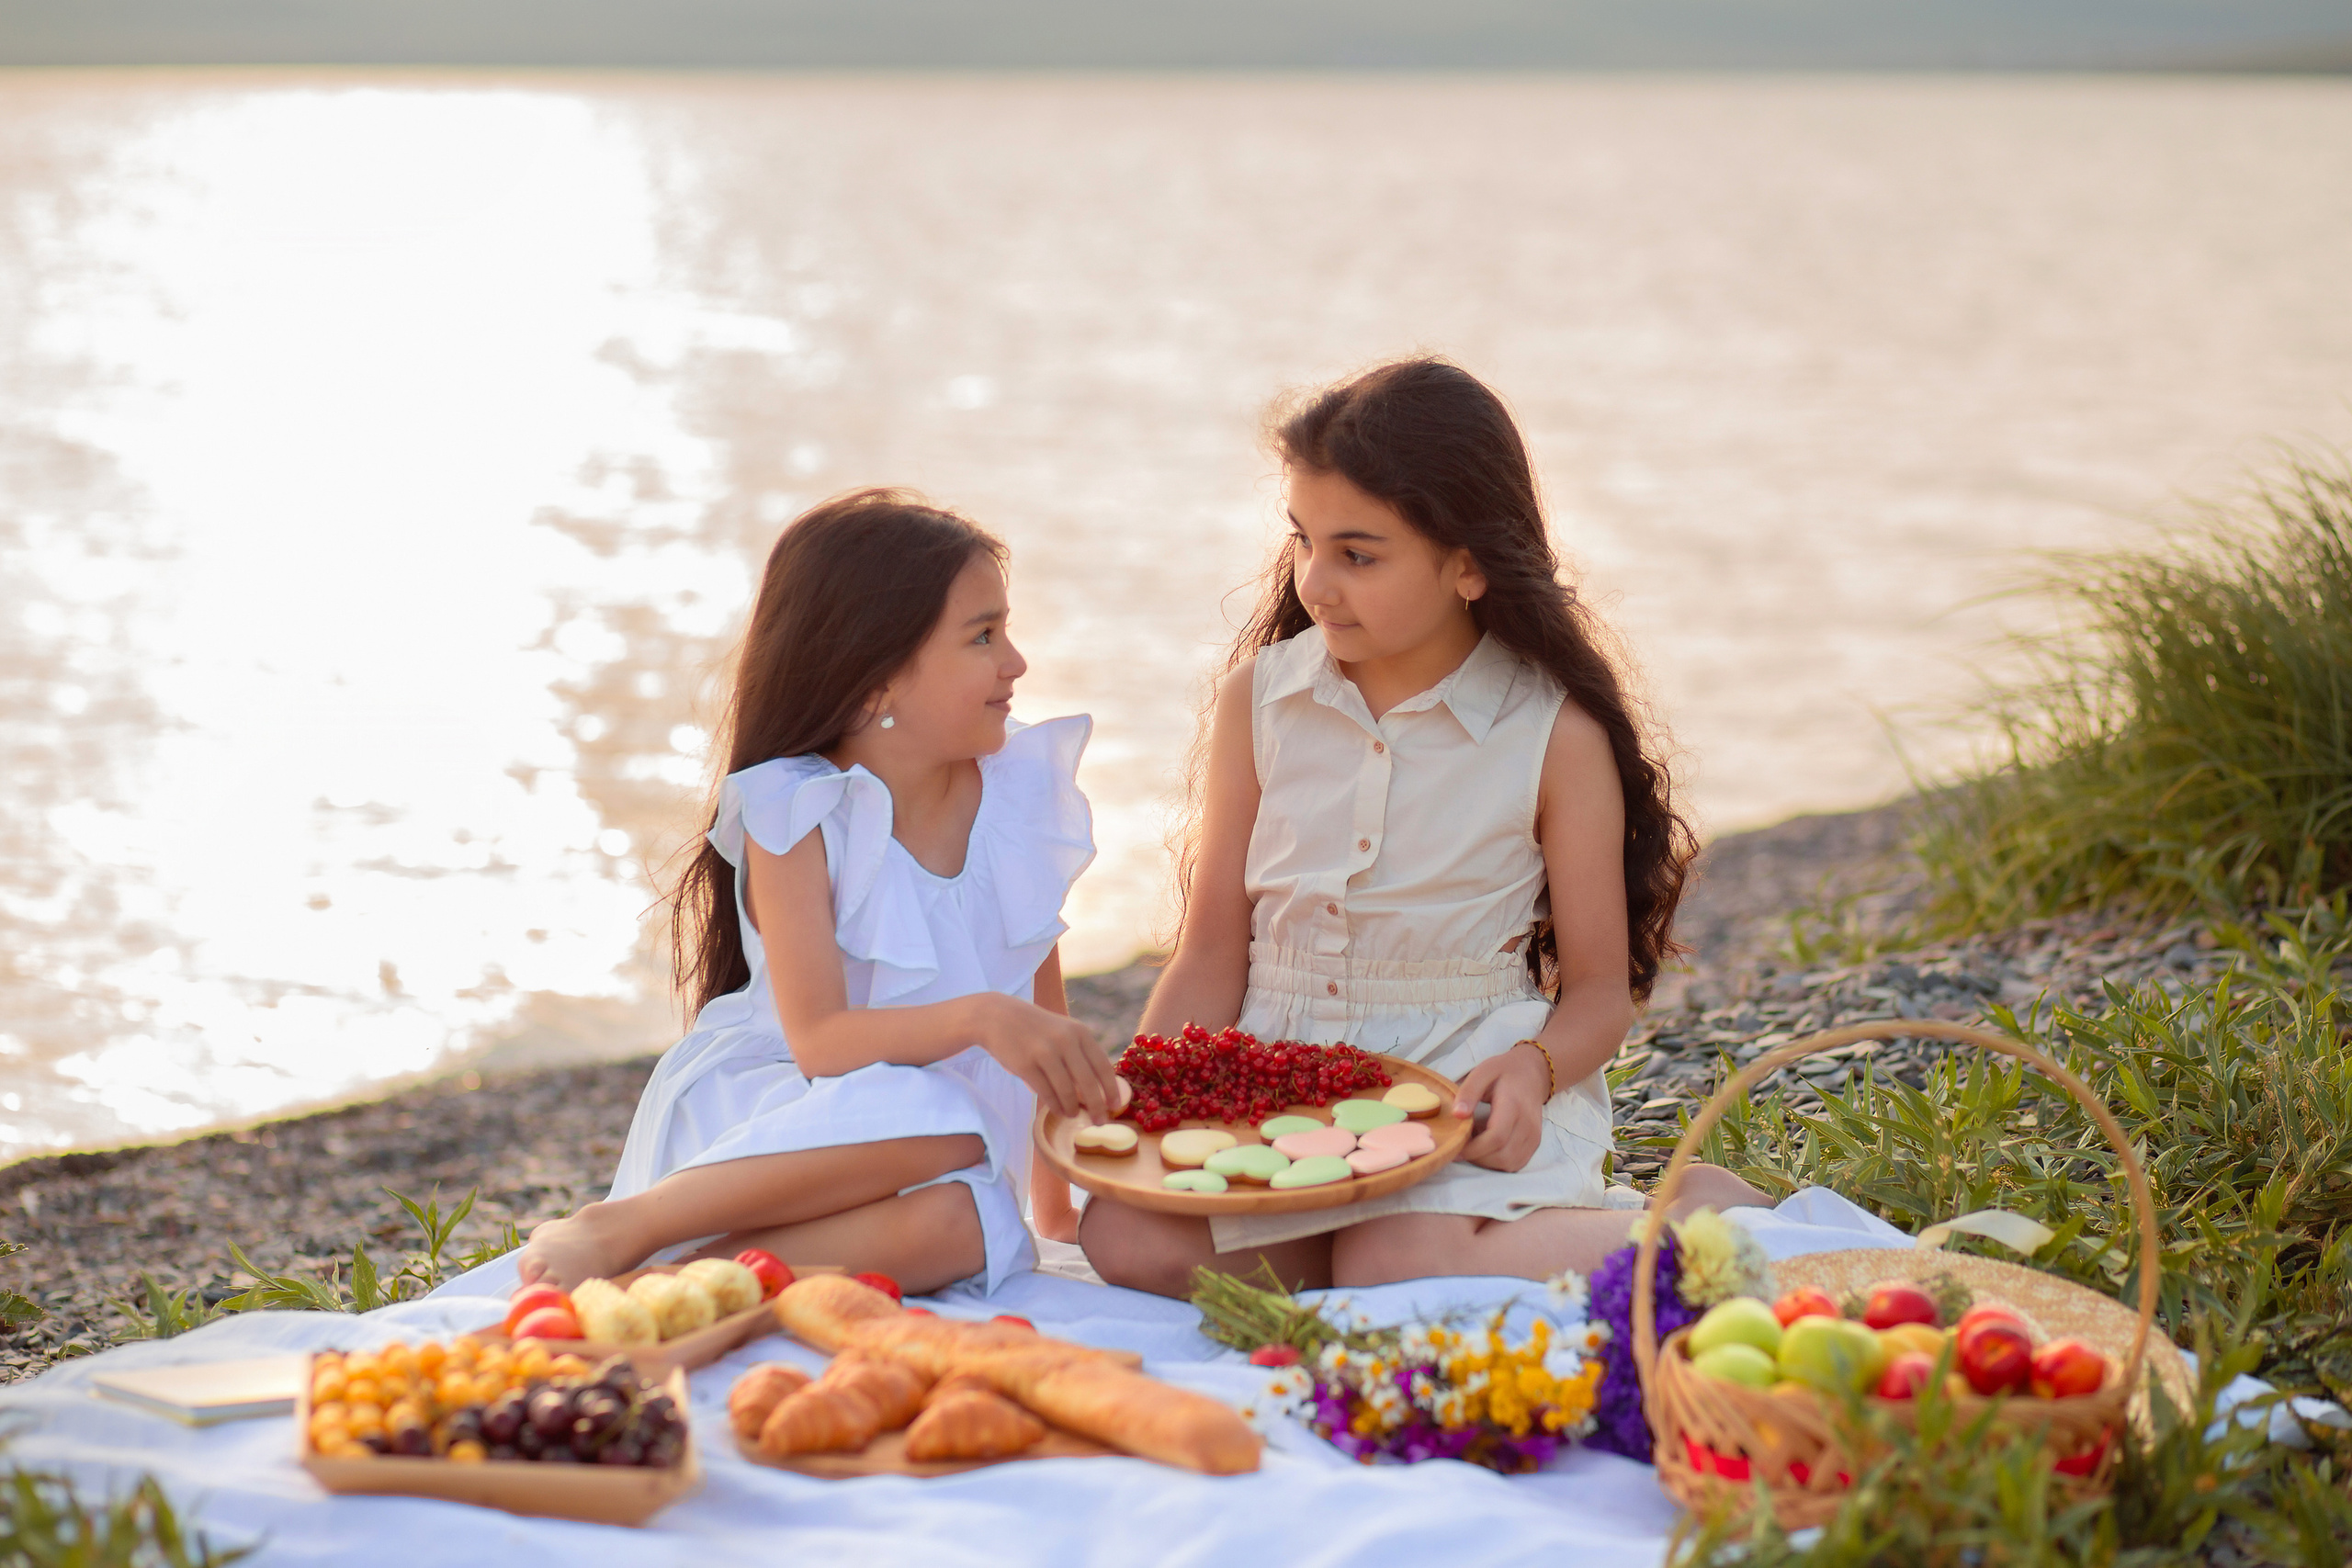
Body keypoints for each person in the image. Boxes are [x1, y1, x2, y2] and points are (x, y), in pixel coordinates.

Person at [1080, 359, 1767, 1296]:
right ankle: (1398, 1253)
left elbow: (1600, 992)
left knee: (1399, 1259)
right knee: (1125, 1241)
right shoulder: (1260, 700)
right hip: (1280, 1093)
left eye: (1358, 555)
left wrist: (1531, 1070)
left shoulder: (1551, 738)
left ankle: (1690, 1213)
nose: (1315, 582)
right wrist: (1144, 1097)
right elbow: (1209, 953)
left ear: (1470, 564)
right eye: (1302, 541)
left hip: (1463, 1085)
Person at [509, 488, 1114, 1297]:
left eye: (1004, 628)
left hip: (937, 1149)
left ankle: (689, 1280)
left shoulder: (1018, 798)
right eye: (982, 635)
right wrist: (978, 1017)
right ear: (873, 684)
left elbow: (1040, 1002)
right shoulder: (799, 809)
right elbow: (821, 1042)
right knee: (935, 1110)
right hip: (782, 1123)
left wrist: (1055, 1205)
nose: (1016, 662)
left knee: (975, 1225)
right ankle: (633, 1226)